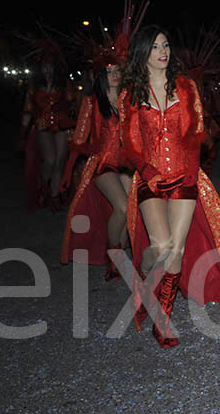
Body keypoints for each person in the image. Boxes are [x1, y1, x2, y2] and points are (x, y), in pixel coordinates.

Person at [119, 25, 220, 348]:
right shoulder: (131, 94)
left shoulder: (185, 87)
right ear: (143, 53)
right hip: (151, 179)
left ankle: (162, 319)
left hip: (185, 178)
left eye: (166, 45)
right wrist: (147, 170)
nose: (163, 51)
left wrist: (191, 171)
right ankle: (144, 273)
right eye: (155, 47)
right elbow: (129, 144)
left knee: (175, 248)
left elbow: (197, 132)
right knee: (160, 248)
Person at [59, 56, 131, 281]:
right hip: (102, 163)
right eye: (110, 71)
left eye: (118, 70)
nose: (115, 75)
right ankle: (114, 256)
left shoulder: (129, 98)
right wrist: (67, 174)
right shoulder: (91, 102)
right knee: (121, 206)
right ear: (101, 75)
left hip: (128, 162)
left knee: (130, 210)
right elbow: (78, 140)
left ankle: (119, 251)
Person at [21, 53, 75, 211]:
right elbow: (27, 110)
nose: (47, 68)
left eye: (50, 65)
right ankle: (42, 188)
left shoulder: (64, 84)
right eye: (45, 65)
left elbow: (73, 104)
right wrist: (22, 135)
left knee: (60, 161)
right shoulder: (34, 86)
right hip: (43, 125)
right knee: (50, 160)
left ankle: (54, 195)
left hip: (62, 124)